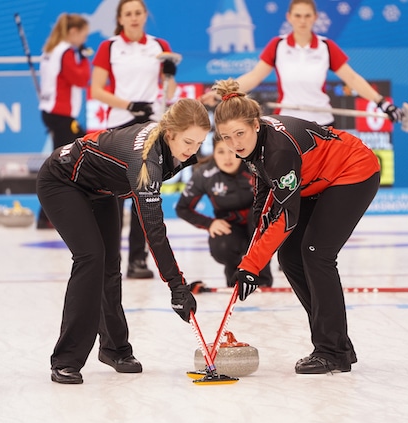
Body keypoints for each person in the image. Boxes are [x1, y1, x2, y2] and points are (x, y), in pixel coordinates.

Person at [211, 78, 380, 375]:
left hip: (352, 171)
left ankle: (332, 351)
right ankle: (337, 342)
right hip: (316, 181)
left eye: (239, 134)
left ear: (255, 125)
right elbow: (263, 207)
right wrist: (252, 262)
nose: (235, 143)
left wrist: (251, 265)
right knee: (290, 257)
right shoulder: (253, 147)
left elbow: (286, 217)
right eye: (226, 137)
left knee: (316, 253)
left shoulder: (278, 151)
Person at [36, 98, 210, 384]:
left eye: (200, 143)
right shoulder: (144, 162)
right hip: (62, 180)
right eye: (188, 142)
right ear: (170, 134)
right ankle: (66, 359)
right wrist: (177, 286)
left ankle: (115, 349)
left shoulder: (170, 148)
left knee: (110, 265)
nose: (192, 151)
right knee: (91, 257)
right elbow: (153, 230)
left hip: (100, 188)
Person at [200, 0, 405, 127]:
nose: (302, 20)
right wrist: (222, 93)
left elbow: (352, 78)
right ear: (289, 17)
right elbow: (253, 77)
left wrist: (382, 102)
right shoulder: (277, 45)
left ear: (315, 17)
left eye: (307, 16)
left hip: (322, 121)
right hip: (288, 121)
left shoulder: (326, 47)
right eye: (297, 15)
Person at [90, 0, 179, 278]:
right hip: (119, 124)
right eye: (128, 13)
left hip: (151, 124)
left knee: (145, 191)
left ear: (145, 15)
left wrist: (170, 77)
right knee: (114, 194)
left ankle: (137, 260)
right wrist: (129, 105)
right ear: (120, 18)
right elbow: (96, 90)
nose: (133, 17)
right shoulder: (109, 47)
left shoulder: (159, 44)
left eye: (138, 12)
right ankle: (109, 258)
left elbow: (168, 89)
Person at [176, 133, 273, 288]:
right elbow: (182, 208)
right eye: (221, 152)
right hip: (230, 226)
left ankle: (263, 277)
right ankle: (234, 276)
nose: (227, 158)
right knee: (222, 247)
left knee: (256, 218)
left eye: (231, 151)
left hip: (257, 222)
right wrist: (210, 223)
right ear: (213, 153)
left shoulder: (255, 166)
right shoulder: (204, 175)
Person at [37, 13, 91, 229]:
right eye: (83, 35)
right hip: (61, 115)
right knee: (65, 163)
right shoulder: (67, 51)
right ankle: (47, 215)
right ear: (73, 32)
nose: (84, 40)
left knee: (76, 155)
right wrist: (85, 57)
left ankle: (52, 214)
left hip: (52, 113)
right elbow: (80, 79)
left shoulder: (50, 50)